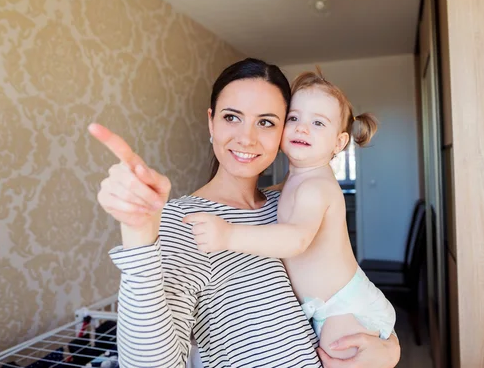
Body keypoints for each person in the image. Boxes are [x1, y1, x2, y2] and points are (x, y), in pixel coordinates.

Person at [90, 58, 400, 368]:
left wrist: (389, 350)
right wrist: (138, 234)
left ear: (281, 132)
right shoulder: (184, 222)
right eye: (231, 117)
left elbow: (347, 300)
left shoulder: (285, 204)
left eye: (266, 121)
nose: (247, 138)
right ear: (211, 122)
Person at [182, 68, 396, 360]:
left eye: (318, 123)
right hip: (330, 305)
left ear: (339, 143)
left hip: (342, 306)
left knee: (338, 360)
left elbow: (295, 239)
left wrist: (228, 234)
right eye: (294, 118)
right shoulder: (294, 182)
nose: (302, 128)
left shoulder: (316, 187)